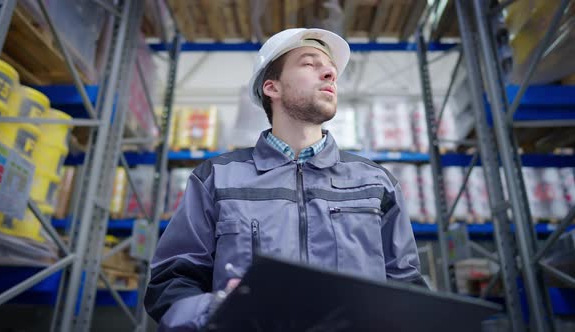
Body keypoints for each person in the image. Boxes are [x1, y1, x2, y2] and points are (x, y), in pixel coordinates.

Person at [144, 28, 425, 331]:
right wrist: (218, 309)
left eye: (330, 68)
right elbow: (172, 281)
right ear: (272, 87)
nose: (329, 72)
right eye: (309, 63)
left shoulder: (375, 183)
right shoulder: (217, 178)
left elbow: (407, 289)